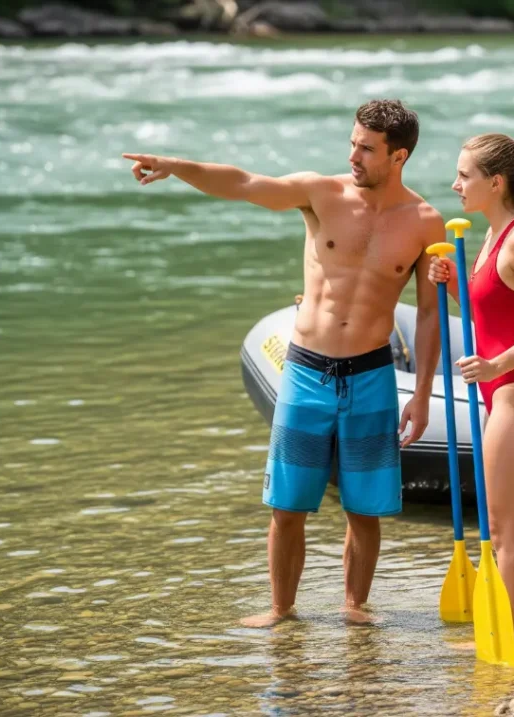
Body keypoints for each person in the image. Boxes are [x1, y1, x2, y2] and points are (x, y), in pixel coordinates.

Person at [123, 99, 444, 627]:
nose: (353, 154)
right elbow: (246, 183)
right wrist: (176, 166)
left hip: (371, 376)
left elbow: (430, 317)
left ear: (399, 155)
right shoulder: (321, 193)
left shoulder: (426, 222)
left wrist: (425, 394)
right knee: (287, 507)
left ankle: (354, 607)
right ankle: (281, 611)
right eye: (353, 143)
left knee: (365, 511)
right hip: (306, 371)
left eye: (366, 148)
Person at [428, 133, 514, 645]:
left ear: (496, 182)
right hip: (508, 393)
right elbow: (497, 317)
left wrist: (495, 366)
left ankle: (510, 644)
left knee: (505, 532)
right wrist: (454, 285)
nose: (455, 184)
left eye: (464, 175)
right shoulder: (492, 236)